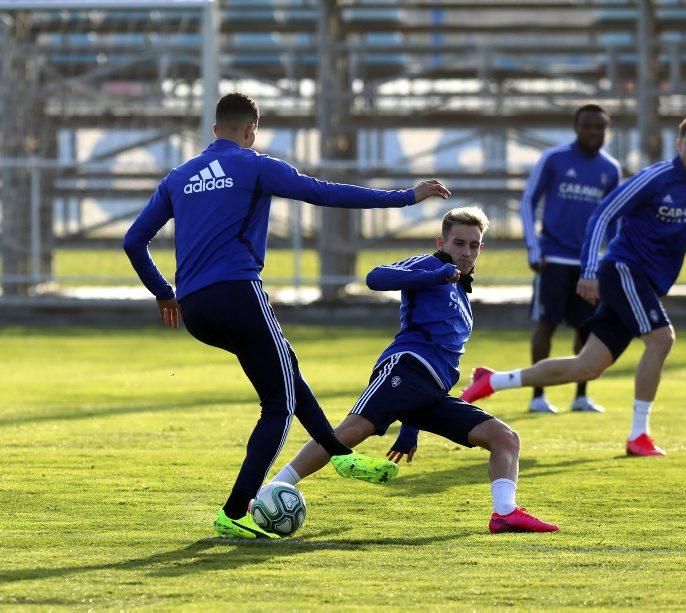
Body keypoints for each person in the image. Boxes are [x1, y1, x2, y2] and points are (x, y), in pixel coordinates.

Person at [123, 92, 451, 539]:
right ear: (250, 131)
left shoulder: (179, 177)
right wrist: (405, 197)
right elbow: (322, 192)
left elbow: (133, 241)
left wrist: (164, 292)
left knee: (286, 368)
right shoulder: (255, 164)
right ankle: (235, 511)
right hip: (238, 293)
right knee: (279, 404)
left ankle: (339, 453)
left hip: (196, 308)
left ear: (216, 129)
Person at [269, 207, 559, 533]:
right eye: (459, 243)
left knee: (505, 438)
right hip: (406, 368)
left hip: (432, 392)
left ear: (481, 248)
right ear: (442, 241)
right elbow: (375, 277)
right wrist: (437, 273)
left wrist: (411, 429)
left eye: (473, 245)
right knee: (349, 433)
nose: (465, 252)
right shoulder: (430, 265)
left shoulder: (462, 292)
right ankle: (271, 491)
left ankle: (504, 513)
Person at [462, 114, 686, 457]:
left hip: (646, 283)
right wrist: (590, 270)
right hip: (623, 270)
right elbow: (602, 215)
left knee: (586, 367)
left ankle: (492, 381)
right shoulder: (654, 178)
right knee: (662, 339)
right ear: (678, 145)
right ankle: (639, 435)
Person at [520, 104, 621, 414]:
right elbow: (528, 201)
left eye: (599, 127)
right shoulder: (554, 159)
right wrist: (534, 248)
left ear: (606, 130)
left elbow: (614, 217)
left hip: (589, 266)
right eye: (588, 126)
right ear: (577, 128)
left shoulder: (611, 169)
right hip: (553, 260)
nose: (594, 132)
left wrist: (611, 257)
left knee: (588, 331)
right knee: (546, 327)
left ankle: (581, 396)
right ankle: (538, 396)